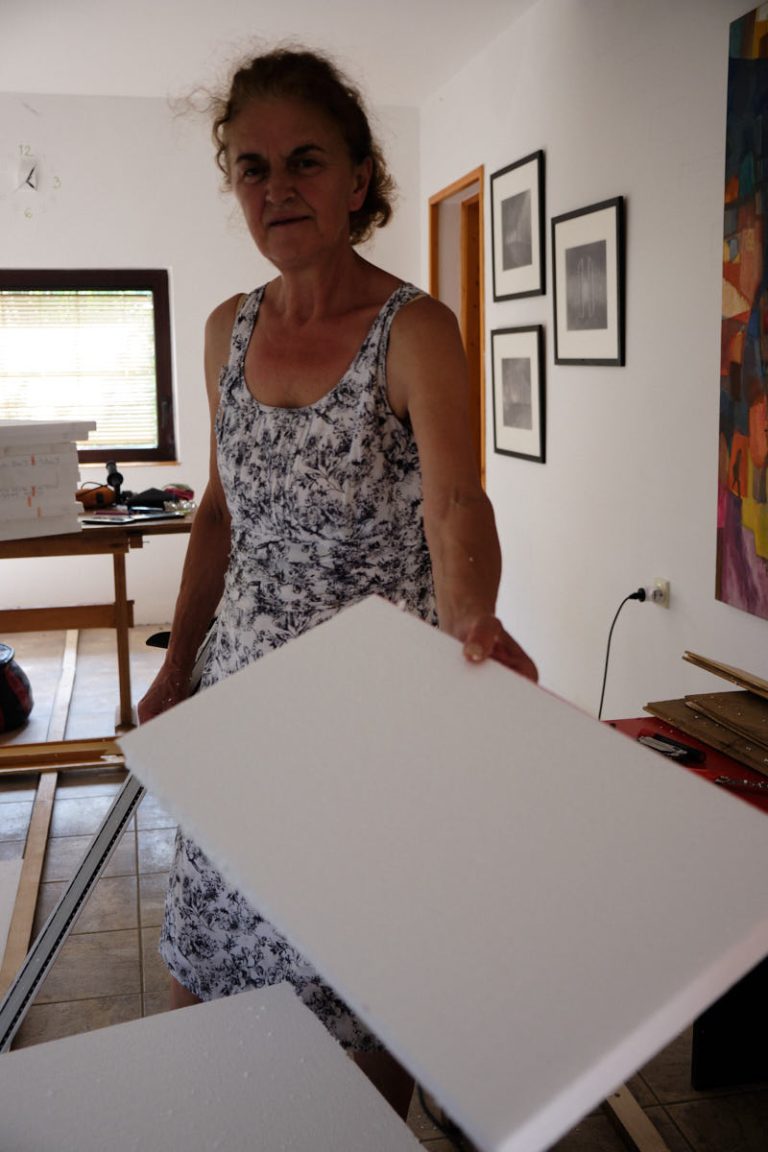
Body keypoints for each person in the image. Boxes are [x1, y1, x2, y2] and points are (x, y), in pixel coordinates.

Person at [138, 46, 537, 1118]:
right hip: (246, 714)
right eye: (252, 167)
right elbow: (220, 513)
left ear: (358, 177)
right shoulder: (228, 329)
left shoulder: (415, 331)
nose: (277, 190)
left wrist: (475, 619)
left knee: (366, 999)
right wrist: (178, 666)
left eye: (304, 162)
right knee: (208, 986)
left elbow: (458, 507)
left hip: (377, 724)